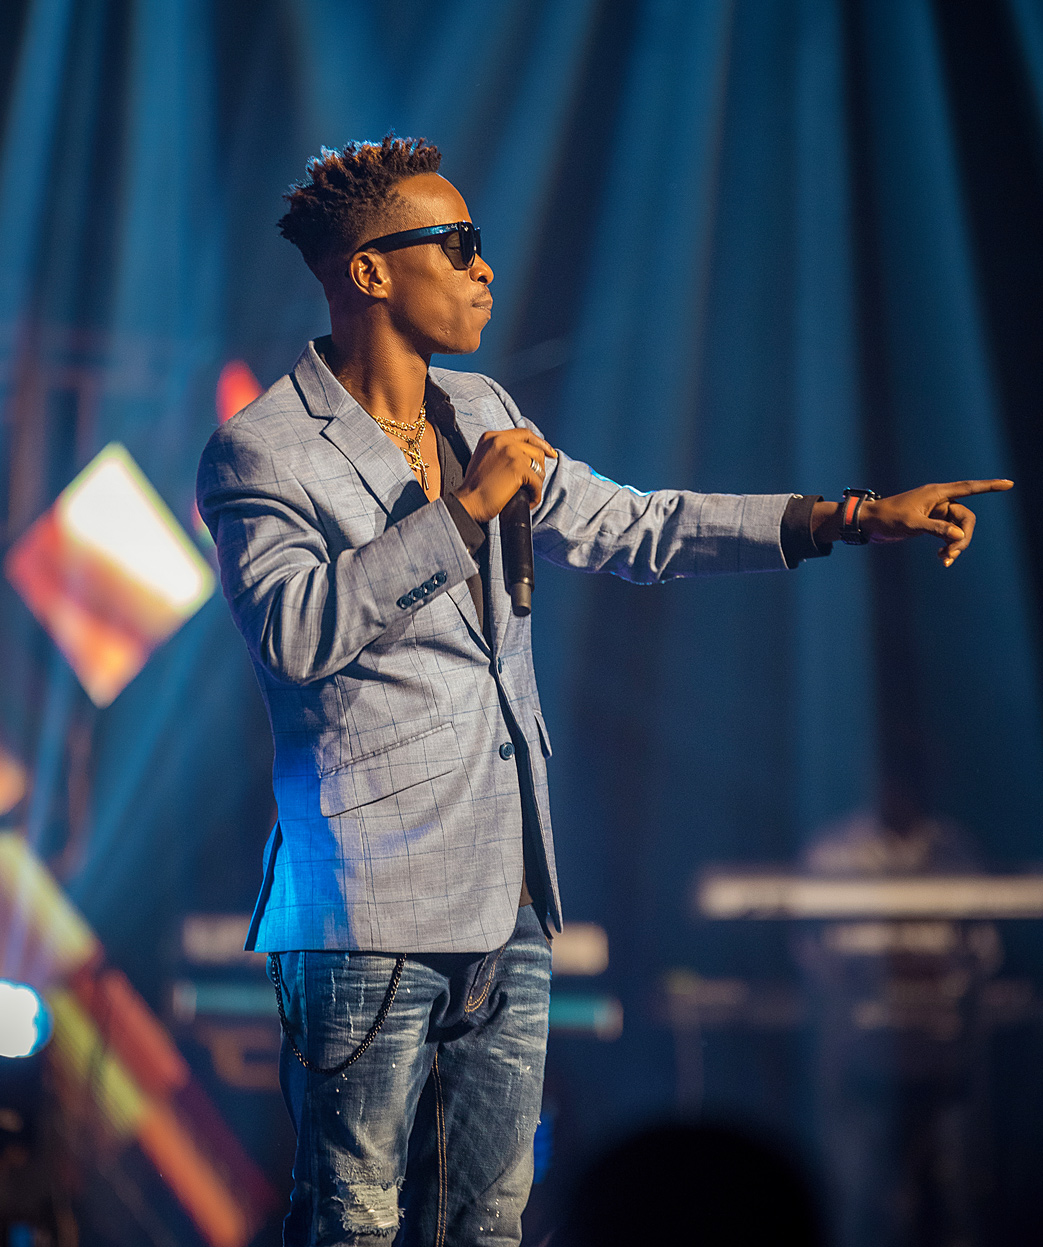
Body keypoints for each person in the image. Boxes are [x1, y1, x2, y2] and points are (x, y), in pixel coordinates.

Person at [196, 135, 1011, 1246]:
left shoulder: (478, 407)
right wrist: (463, 513)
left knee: (491, 1218)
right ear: (371, 271)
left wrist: (850, 516)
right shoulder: (263, 449)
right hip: (364, 911)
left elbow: (637, 525)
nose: (484, 267)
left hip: (508, 898)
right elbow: (294, 633)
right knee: (356, 1217)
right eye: (457, 244)